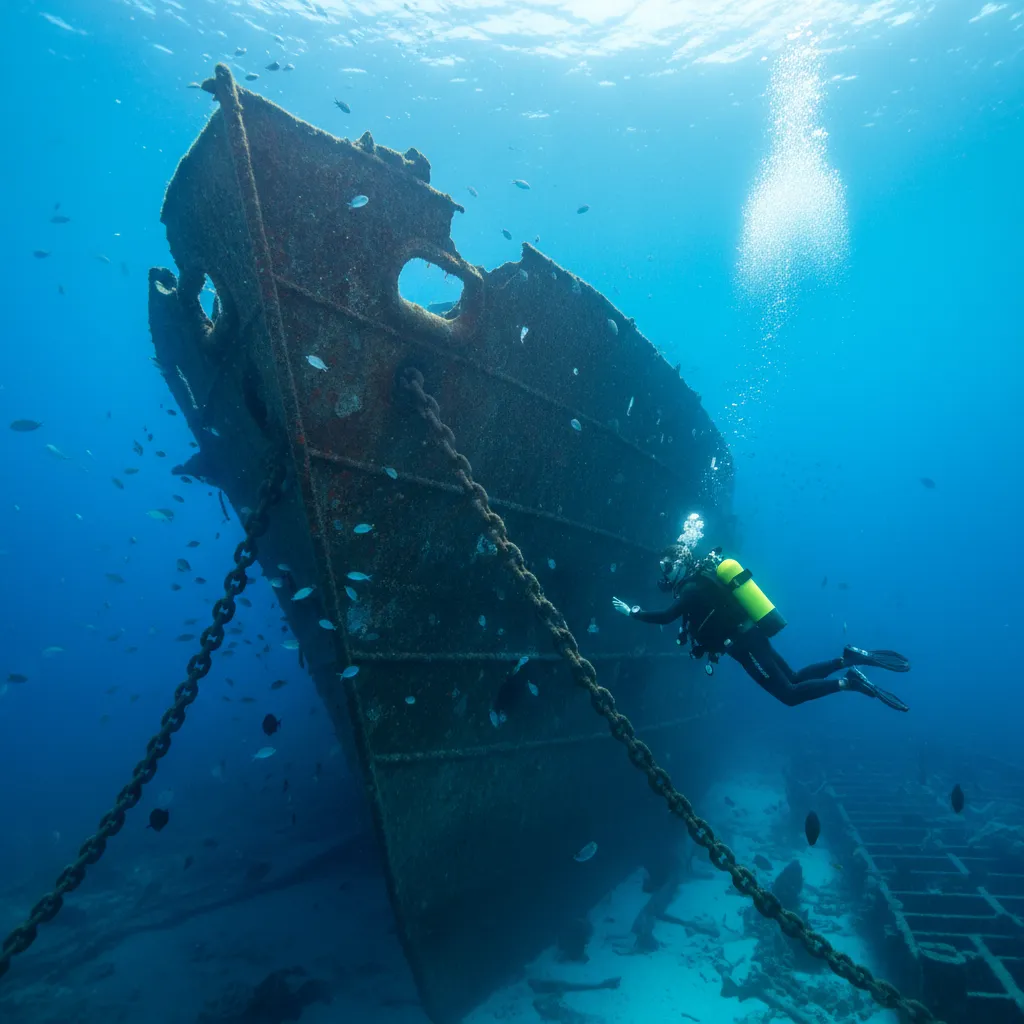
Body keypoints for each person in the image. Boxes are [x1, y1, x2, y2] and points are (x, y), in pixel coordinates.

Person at [613, 536, 911, 712]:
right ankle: (847, 658)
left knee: (789, 695)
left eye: (666, 568)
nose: (664, 576)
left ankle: (849, 681)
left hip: (742, 645)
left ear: (678, 565)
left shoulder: (691, 589)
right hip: (750, 635)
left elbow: (666, 617)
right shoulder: (700, 583)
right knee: (793, 677)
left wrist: (633, 613)